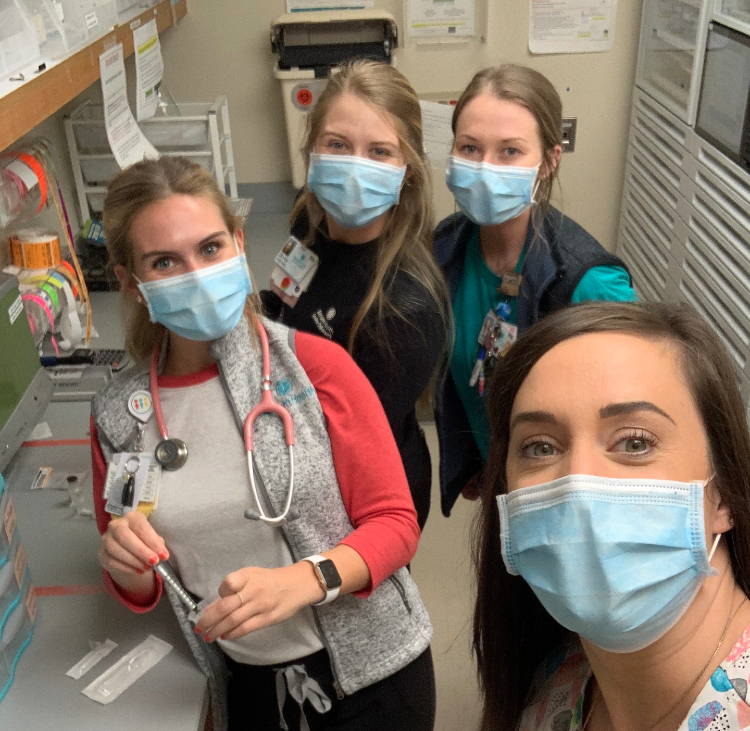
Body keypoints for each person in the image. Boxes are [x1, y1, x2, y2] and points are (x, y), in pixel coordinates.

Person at [91, 157, 435, 731]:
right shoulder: (118, 417)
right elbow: (143, 580)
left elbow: (395, 523)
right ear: (131, 282)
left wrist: (305, 580)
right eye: (164, 262)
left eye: (209, 248)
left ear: (240, 244)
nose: (195, 274)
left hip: (374, 677)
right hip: (248, 687)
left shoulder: (314, 368)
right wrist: (126, 568)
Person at [473, 301, 750, 731]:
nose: (579, 485)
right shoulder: (552, 684)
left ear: (724, 494)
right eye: (540, 447)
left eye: (635, 443)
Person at [434, 65, 637, 517]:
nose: (485, 168)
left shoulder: (587, 281)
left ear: (548, 162)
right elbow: (469, 373)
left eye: (509, 151)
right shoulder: (447, 248)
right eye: (469, 148)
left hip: (575, 501)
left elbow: (648, 412)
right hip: (502, 483)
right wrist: (477, 459)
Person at [261, 60, 449, 530]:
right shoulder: (309, 224)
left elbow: (348, 444)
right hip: (290, 435)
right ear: (311, 151)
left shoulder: (406, 306)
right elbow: (285, 307)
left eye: (380, 152)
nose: (353, 168)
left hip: (361, 503)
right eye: (338, 145)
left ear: (407, 171)